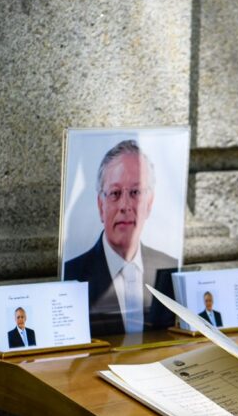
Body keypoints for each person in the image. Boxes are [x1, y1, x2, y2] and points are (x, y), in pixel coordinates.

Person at [63, 139, 178, 336]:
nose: (125, 205)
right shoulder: (72, 276)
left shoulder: (170, 270)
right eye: (115, 193)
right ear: (101, 206)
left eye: (135, 192)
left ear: (149, 204)